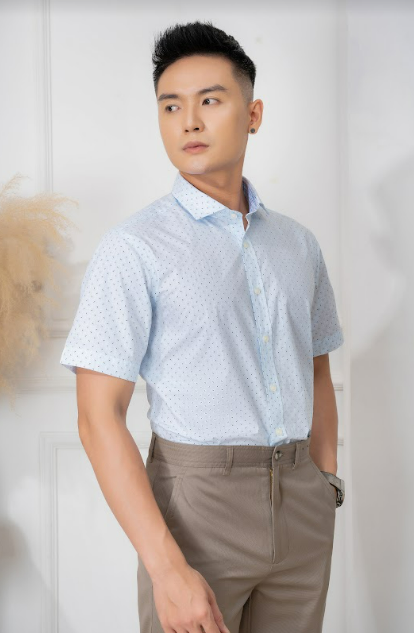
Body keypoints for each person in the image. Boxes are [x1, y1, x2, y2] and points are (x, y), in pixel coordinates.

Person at [60, 19, 345, 633]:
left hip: (302, 505)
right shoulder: (133, 248)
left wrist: (325, 485)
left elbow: (316, 369)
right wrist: (166, 568)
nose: (188, 121)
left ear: (253, 115)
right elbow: (96, 416)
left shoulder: (298, 245)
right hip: (197, 510)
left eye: (210, 101)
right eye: (171, 106)